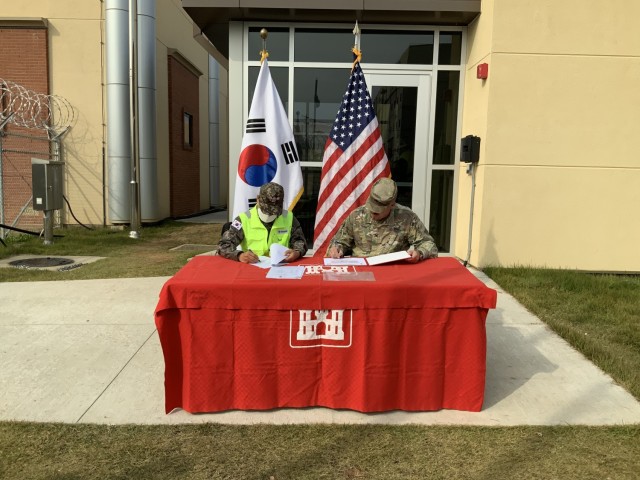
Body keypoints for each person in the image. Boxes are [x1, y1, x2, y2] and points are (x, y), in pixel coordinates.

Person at [326, 177, 438, 263]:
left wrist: (419, 253)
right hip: (362, 269)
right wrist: (337, 249)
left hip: (393, 270)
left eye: (377, 212)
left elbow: (429, 244)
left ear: (392, 205)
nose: (372, 214)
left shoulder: (406, 217)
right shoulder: (356, 215)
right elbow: (339, 241)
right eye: (371, 208)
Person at [217, 182, 308, 264]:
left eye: (274, 212)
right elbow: (224, 245)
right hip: (253, 268)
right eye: (267, 210)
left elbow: (300, 241)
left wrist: (297, 252)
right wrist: (240, 255)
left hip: (281, 267)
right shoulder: (244, 219)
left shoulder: (289, 218)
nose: (270, 215)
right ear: (258, 199)